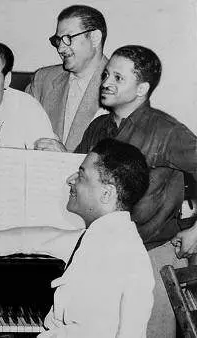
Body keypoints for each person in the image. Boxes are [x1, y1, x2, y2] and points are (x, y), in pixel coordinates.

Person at [0, 138, 154, 337]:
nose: (70, 179)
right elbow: (35, 238)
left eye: (81, 175)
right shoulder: (98, 237)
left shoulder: (126, 256)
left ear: (107, 193)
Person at [74, 45, 197, 338]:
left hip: (152, 259)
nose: (105, 83)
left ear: (142, 87)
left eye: (118, 77)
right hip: (100, 258)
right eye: (106, 75)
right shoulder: (98, 128)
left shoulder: (167, 131)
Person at [26, 5, 109, 152]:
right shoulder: (42, 80)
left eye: (68, 38)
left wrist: (65, 162)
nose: (60, 49)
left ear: (95, 38)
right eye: (58, 41)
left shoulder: (120, 88)